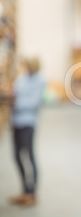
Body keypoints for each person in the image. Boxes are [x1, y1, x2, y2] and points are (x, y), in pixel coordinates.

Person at [9, 57, 46, 206]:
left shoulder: (40, 80)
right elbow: (14, 90)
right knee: (17, 157)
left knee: (29, 157)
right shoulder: (22, 77)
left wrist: (15, 102)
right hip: (16, 122)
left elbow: (34, 102)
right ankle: (24, 190)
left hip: (28, 123)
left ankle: (32, 193)